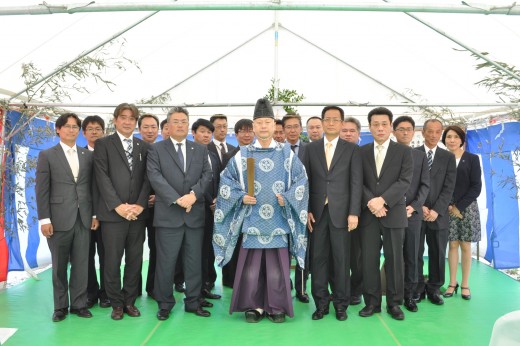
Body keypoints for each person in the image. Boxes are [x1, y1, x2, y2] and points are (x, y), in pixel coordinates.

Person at [213, 98, 308, 323]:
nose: (264, 126)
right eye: (259, 123)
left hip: (278, 219)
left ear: (275, 126)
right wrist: (240, 196)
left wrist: (288, 198)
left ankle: (276, 306)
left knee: (277, 269)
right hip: (252, 218)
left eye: (267, 122)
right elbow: (226, 180)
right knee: (251, 268)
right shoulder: (243, 154)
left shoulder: (286, 153)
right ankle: (254, 306)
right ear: (254, 127)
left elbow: (302, 179)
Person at [147, 106, 213, 321]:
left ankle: (193, 302)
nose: (180, 125)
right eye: (176, 121)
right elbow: (155, 177)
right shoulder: (157, 149)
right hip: (168, 215)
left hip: (194, 214)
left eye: (184, 121)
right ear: (168, 125)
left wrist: (193, 195)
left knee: (194, 262)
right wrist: (177, 199)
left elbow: (207, 175)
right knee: (166, 263)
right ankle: (165, 303)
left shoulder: (200, 149)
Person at [36, 113, 98, 322]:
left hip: (84, 217)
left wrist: (94, 214)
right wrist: (44, 219)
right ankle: (60, 307)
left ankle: (79, 304)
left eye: (75, 127)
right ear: (58, 129)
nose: (71, 130)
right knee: (59, 266)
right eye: (67, 126)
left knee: (82, 264)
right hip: (58, 218)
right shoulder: (47, 155)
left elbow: (92, 188)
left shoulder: (88, 155)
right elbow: (41, 190)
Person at [303, 106, 362, 321]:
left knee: (341, 259)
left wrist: (354, 212)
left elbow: (356, 183)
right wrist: (307, 208)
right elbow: (305, 181)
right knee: (318, 259)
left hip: (342, 213)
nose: (330, 123)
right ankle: (320, 303)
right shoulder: (310, 148)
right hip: (317, 213)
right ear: (322, 121)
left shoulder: (352, 149)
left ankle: (341, 304)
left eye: (335, 120)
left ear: (341, 123)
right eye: (327, 119)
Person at [93, 103, 151, 320]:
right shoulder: (103, 144)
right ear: (115, 119)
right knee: (112, 261)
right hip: (113, 215)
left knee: (135, 260)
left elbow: (147, 179)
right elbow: (102, 177)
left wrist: (140, 204)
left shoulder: (144, 146)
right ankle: (116, 304)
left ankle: (129, 301)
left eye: (132, 118)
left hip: (137, 215)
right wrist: (118, 205)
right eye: (123, 117)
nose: (127, 121)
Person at [359, 107, 413, 321]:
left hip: (394, 212)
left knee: (395, 260)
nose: (380, 128)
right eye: (375, 124)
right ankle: (372, 303)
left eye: (384, 124)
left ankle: (394, 303)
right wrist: (372, 201)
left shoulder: (404, 152)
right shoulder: (361, 152)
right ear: (370, 127)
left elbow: (405, 181)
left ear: (391, 126)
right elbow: (358, 181)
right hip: (368, 214)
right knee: (369, 260)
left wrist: (382, 200)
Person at [416, 119, 456, 306]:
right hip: (416, 213)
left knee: (438, 252)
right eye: (429, 131)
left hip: (438, 215)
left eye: (437, 132)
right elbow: (409, 184)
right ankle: (415, 288)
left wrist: (436, 211)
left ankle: (434, 288)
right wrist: (420, 206)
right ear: (423, 132)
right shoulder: (412, 154)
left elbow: (449, 187)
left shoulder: (448, 157)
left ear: (441, 134)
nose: (433, 135)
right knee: (414, 252)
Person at [392, 116, 430, 312]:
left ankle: (410, 295)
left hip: (413, 214)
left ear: (414, 131)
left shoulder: (420, 156)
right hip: (391, 213)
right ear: (394, 131)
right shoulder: (388, 153)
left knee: (413, 255)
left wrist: (414, 206)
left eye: (408, 129)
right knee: (393, 256)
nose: (405, 132)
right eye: (401, 129)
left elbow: (425, 185)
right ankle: (394, 296)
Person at [441, 125, 482, 300]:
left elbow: (476, 186)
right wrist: (449, 205)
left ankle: (465, 284)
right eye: (448, 136)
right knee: (452, 245)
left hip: (467, 208)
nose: (452, 140)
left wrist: (459, 207)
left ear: (462, 140)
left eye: (456, 137)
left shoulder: (471, 159)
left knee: (465, 245)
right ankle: (452, 283)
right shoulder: (441, 159)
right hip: (446, 207)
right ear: (444, 140)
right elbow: (439, 185)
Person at [220, 118, 255, 288]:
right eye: (242, 131)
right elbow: (224, 182)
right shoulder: (229, 156)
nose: (246, 134)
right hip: (235, 206)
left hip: (255, 207)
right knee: (233, 241)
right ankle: (231, 280)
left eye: (249, 130)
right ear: (236, 134)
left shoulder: (260, 153)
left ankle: (250, 278)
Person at [191, 118, 222, 302]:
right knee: (195, 252)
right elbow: (193, 183)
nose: (205, 135)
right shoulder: (190, 154)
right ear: (193, 132)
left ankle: (206, 286)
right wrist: (210, 200)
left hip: (212, 210)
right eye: (202, 131)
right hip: (196, 208)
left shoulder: (212, 155)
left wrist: (217, 199)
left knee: (208, 250)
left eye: (209, 133)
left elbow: (217, 180)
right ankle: (195, 290)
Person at [82, 115, 111, 309]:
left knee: (107, 255)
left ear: (104, 132)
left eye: (98, 129)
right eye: (90, 129)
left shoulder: (110, 154)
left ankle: (107, 294)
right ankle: (90, 292)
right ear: (83, 133)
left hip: (107, 214)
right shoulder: (78, 154)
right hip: (83, 214)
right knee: (85, 255)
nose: (94, 132)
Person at [282, 113, 310, 303]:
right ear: (283, 130)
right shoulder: (277, 151)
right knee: (282, 251)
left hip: (302, 208)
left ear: (301, 128)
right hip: (281, 208)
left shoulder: (311, 150)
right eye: (288, 127)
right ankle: (283, 287)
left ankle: (301, 289)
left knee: (302, 247)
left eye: (295, 126)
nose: (292, 130)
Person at [338, 117, 363, 306]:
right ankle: (340, 290)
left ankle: (356, 291)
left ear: (359, 134)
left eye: (351, 131)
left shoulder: (363, 154)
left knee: (357, 256)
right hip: (336, 214)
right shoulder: (333, 153)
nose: (347, 134)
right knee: (338, 256)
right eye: (344, 130)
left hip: (362, 213)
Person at [137, 114, 159, 299]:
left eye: (153, 127)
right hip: (135, 208)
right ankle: (133, 289)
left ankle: (153, 287)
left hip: (158, 208)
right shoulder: (132, 149)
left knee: (156, 248)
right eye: (146, 127)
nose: (150, 130)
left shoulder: (162, 150)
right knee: (135, 250)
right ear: (139, 129)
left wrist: (158, 197)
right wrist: (142, 200)